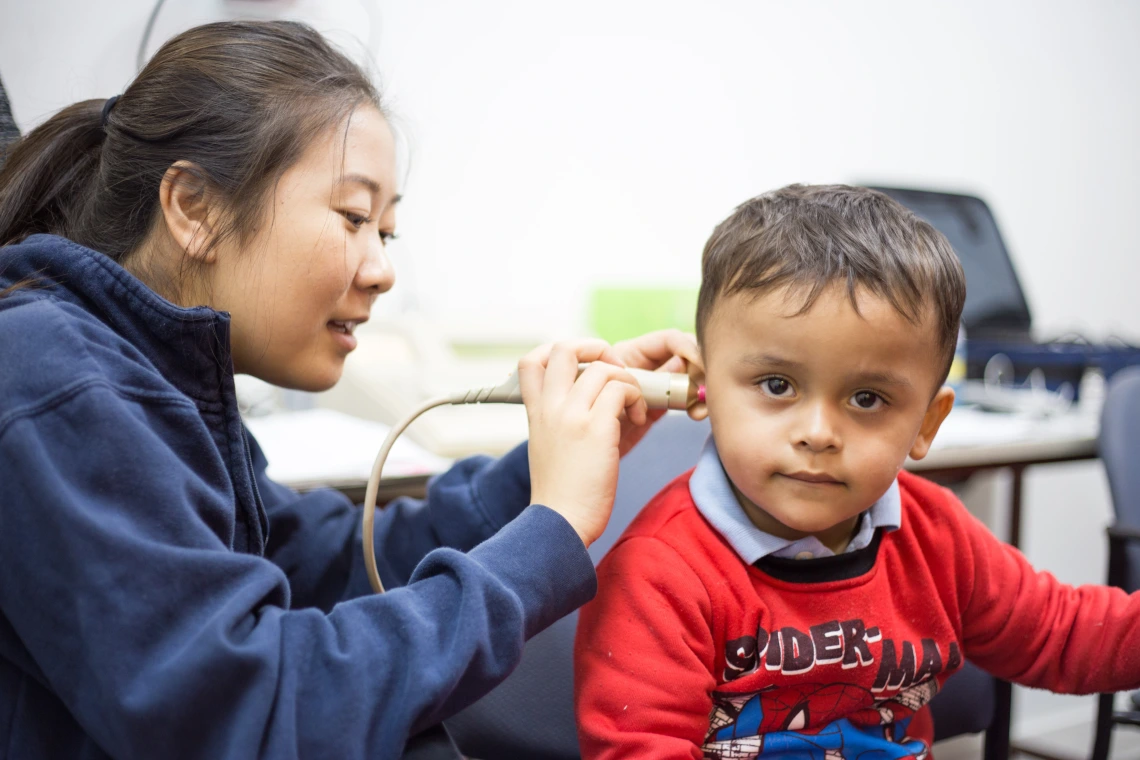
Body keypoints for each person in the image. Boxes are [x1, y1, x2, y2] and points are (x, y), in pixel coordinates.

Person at [0, 20, 698, 760]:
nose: (381, 270)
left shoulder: (154, 377)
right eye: (354, 217)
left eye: (386, 233)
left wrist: (536, 477)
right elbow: (246, 711)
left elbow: (331, 566)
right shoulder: (52, 379)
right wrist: (549, 530)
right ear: (194, 208)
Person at [573, 184, 1140, 758]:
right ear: (702, 387)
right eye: (777, 385)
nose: (818, 433)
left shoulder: (937, 534)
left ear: (926, 422)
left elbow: (1063, 634)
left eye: (867, 398)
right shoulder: (660, 574)